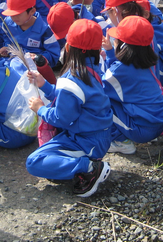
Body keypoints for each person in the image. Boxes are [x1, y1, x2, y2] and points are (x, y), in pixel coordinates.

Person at [25, 19, 112, 198]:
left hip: (85, 141)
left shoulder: (71, 78)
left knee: (34, 162)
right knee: (49, 157)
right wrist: (44, 85)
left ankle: (90, 168)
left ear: (69, 48)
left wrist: (40, 109)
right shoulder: (93, 69)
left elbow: (62, 118)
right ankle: (83, 163)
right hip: (98, 137)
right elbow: (71, 100)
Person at [102, 16, 163, 154]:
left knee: (99, 103)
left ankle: (121, 141)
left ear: (124, 45)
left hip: (142, 131)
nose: (114, 40)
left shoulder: (120, 70)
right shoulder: (147, 62)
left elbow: (100, 89)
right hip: (158, 122)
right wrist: (111, 52)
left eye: (117, 38)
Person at [0, 0, 60, 84]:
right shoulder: (7, 23)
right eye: (11, 14)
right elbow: (6, 37)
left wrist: (39, 58)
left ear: (32, 11)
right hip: (13, 63)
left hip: (35, 73)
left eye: (18, 14)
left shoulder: (44, 30)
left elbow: (54, 55)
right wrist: (7, 47)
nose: (14, 17)